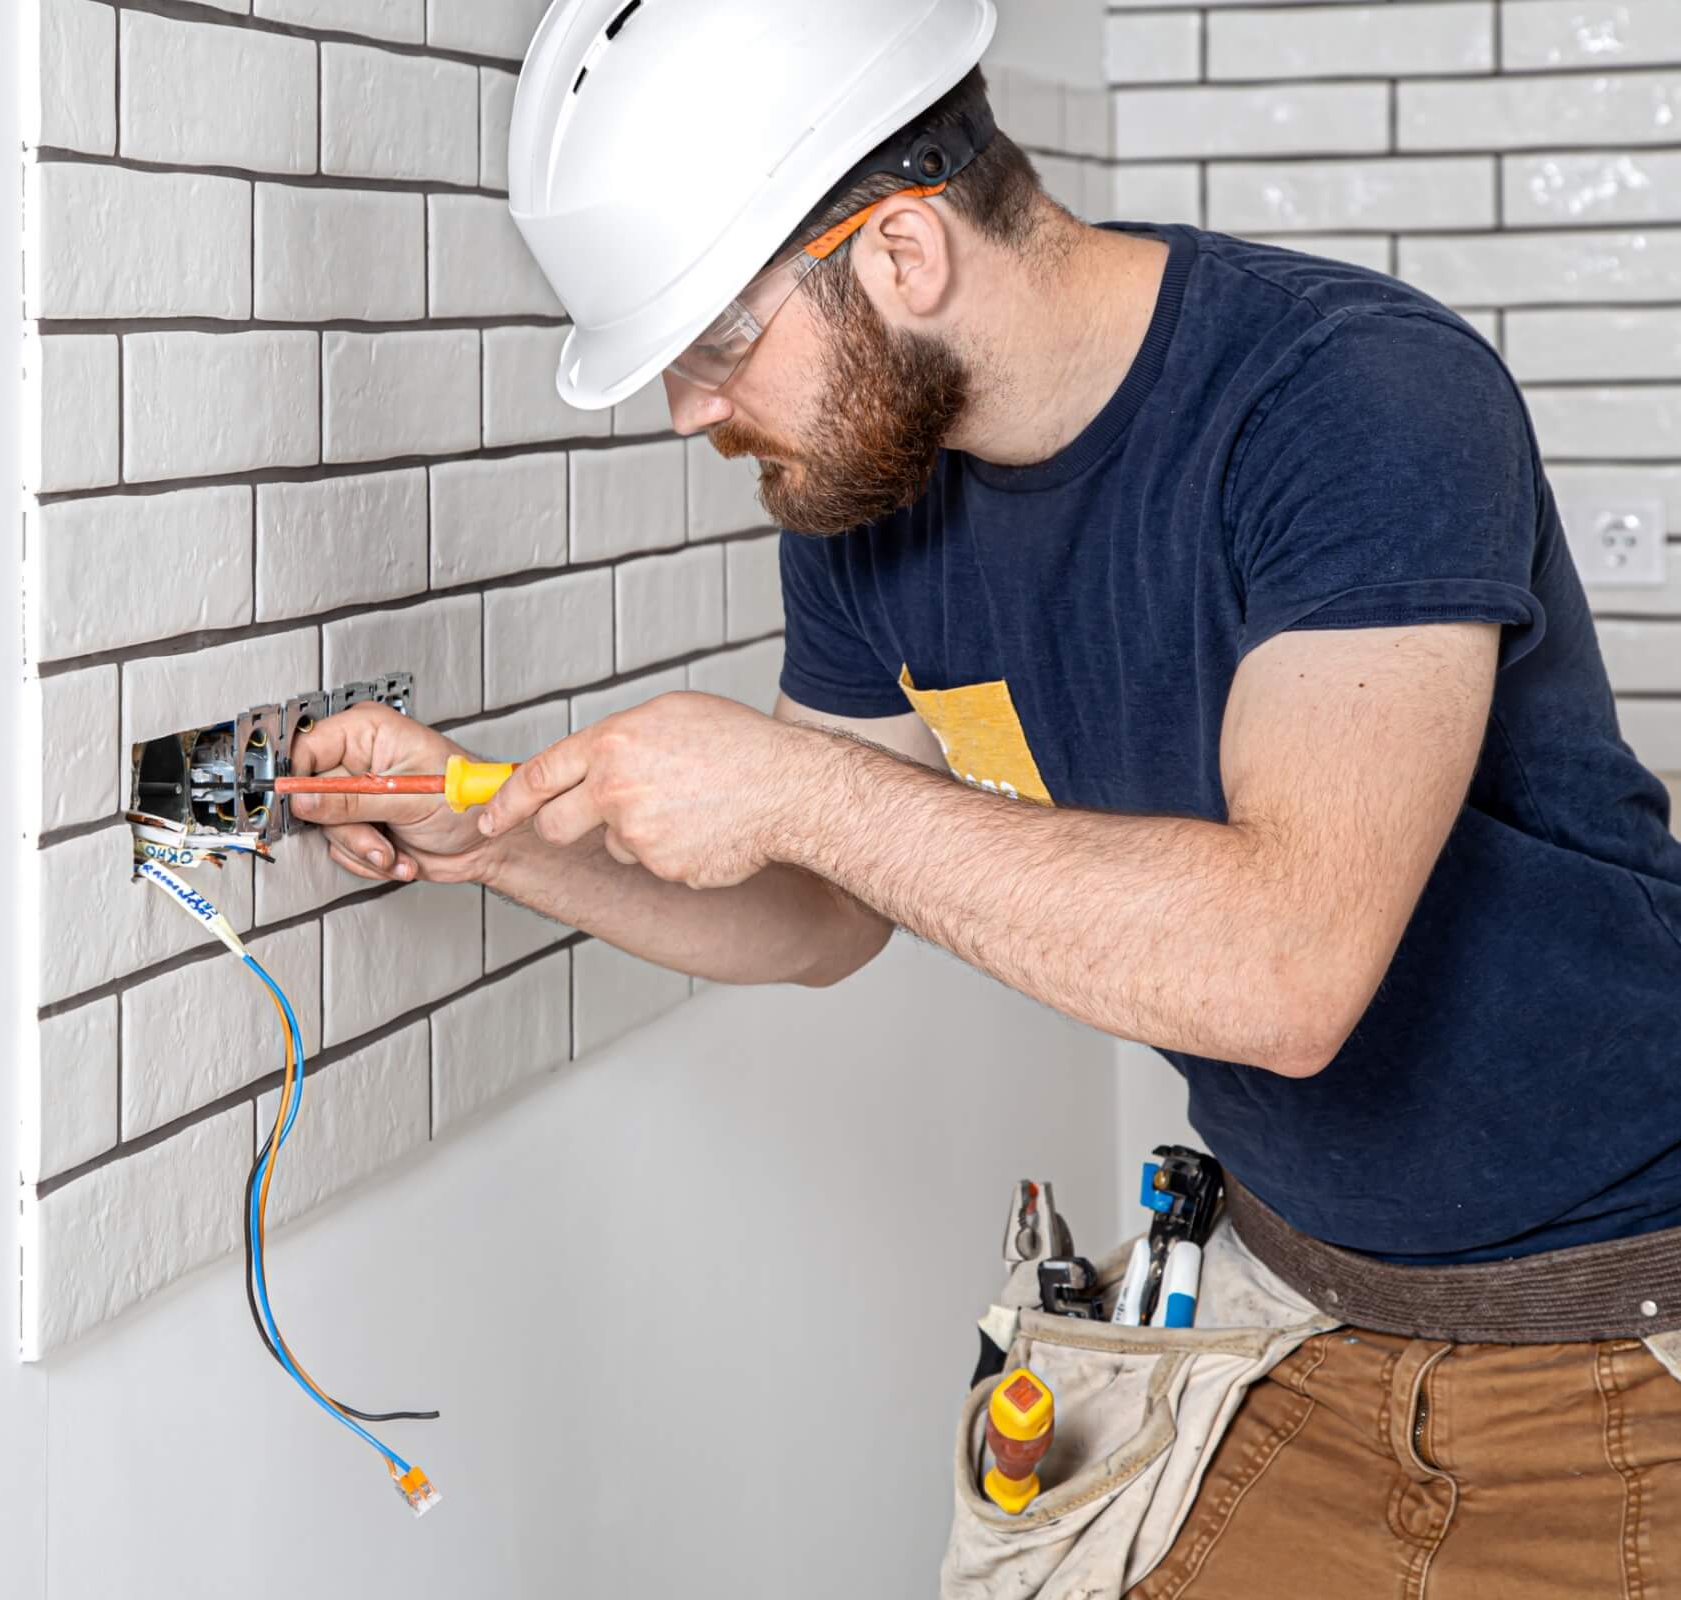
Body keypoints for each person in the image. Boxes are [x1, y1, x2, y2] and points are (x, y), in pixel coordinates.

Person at [290, 2, 1681, 1593]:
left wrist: (798, 784)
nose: (688, 410)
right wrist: (502, 840)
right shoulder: (868, 504)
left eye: (718, 344)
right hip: (1288, 1315)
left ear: (902, 256)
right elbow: (821, 912)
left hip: (1624, 1337)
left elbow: (1288, 970)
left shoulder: (1353, 399)